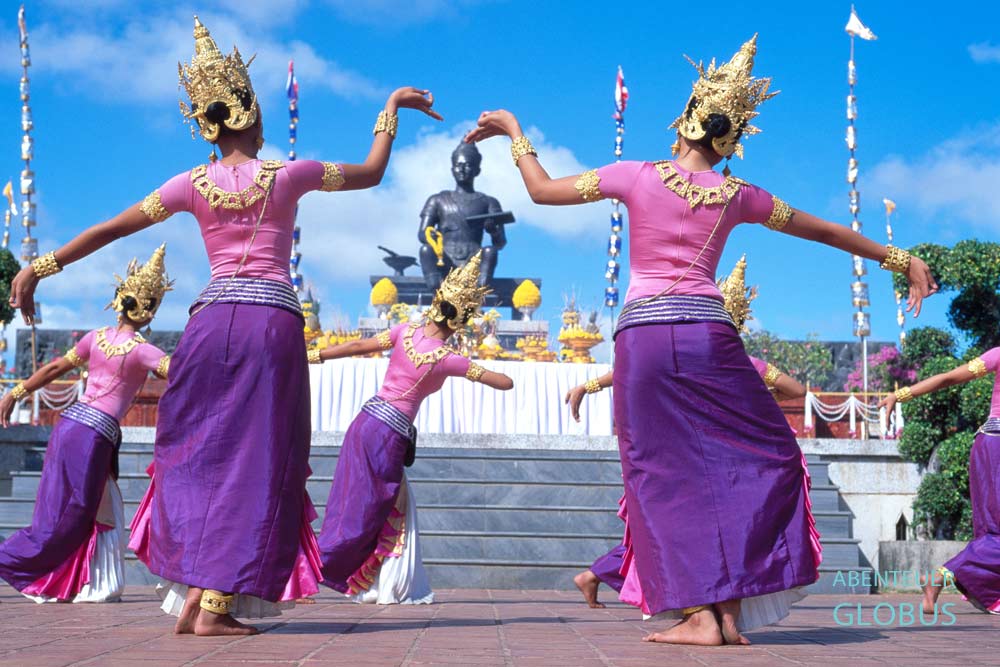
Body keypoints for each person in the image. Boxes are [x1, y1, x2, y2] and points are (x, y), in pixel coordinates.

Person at [465, 34, 936, 645]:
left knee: (659, 473)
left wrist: (513, 130)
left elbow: (541, 190)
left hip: (644, 341)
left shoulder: (635, 176)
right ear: (730, 140)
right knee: (760, 458)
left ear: (684, 121)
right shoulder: (738, 196)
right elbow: (823, 232)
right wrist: (899, 258)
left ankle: (700, 616)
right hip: (711, 339)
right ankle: (727, 611)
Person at [7, 17, 442, 636]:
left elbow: (111, 228)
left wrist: (40, 267)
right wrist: (390, 107)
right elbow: (371, 171)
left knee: (200, 453)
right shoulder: (289, 175)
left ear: (209, 125)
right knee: (262, 458)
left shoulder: (189, 184)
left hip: (208, 326)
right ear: (254, 118)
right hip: (271, 327)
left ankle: (199, 590)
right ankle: (214, 602)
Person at [566, 256, 815, 613]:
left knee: (687, 524)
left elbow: (797, 391)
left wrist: (750, 403)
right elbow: (796, 390)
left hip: (701, 452)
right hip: (691, 451)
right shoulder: (743, 363)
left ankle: (604, 577)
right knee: (684, 524)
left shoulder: (739, 363)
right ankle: (606, 577)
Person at [317, 252, 514, 604]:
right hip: (389, 435)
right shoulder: (448, 358)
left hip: (364, 422)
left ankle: (363, 577)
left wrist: (315, 355)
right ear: (461, 320)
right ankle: (337, 571)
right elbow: (505, 382)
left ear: (436, 304)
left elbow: (358, 346)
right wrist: (472, 368)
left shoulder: (404, 331)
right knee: (372, 508)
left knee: (352, 501)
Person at [0, 245, 172, 604]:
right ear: (150, 310)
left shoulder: (96, 337)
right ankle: (22, 563)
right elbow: (182, 375)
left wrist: (15, 393)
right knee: (76, 513)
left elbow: (53, 368)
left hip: (68, 427)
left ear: (118, 300)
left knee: (65, 508)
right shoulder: (144, 350)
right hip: (94, 436)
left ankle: (87, 580)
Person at [880, 352, 1000, 616]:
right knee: (995, 532)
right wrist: (900, 395)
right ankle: (939, 578)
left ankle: (985, 593)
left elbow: (948, 378)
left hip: (988, 445)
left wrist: (899, 395)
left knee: (991, 532)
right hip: (996, 447)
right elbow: (949, 378)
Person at [418, 142, 507, 288]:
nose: (462, 169)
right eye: (458, 165)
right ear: (452, 169)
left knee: (491, 251)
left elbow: (500, 243)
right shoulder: (437, 200)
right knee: (426, 250)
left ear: (477, 170)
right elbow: (422, 234)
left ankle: (478, 291)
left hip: (474, 258)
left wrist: (493, 231)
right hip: (444, 257)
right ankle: (437, 289)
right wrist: (431, 236)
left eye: (467, 165)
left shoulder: (488, 202)